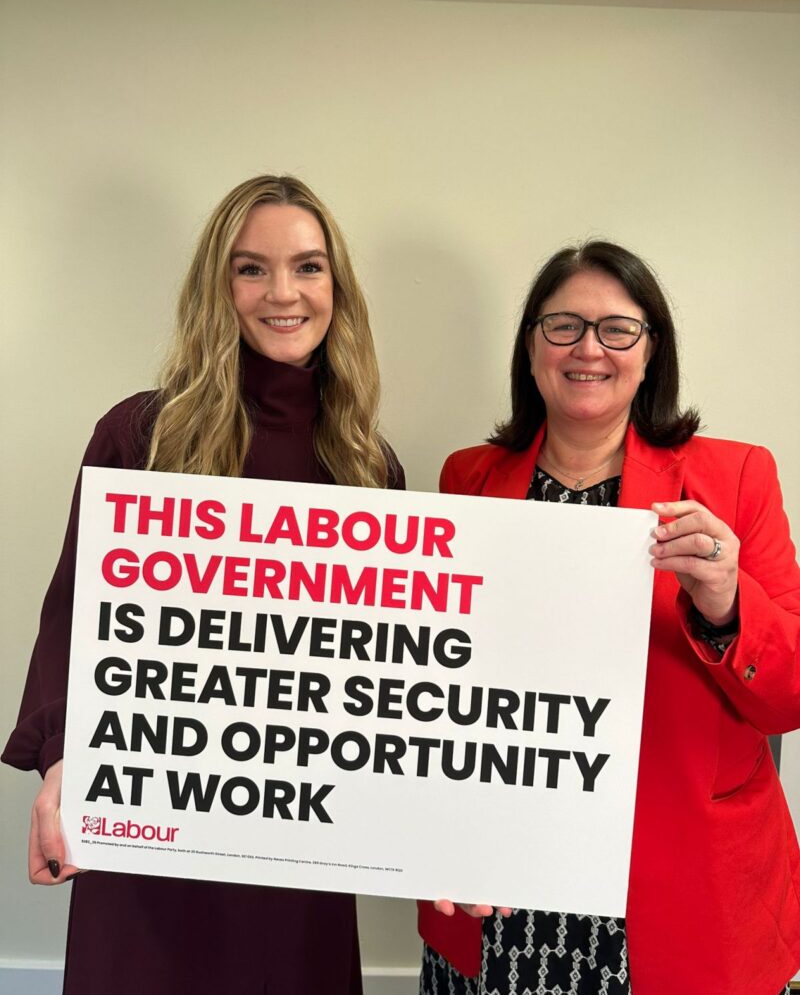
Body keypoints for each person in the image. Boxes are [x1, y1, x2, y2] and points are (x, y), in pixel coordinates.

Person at [2, 174, 403, 995]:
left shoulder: (368, 466)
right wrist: (63, 758)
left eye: (308, 266)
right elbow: (76, 614)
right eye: (251, 268)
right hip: (150, 837)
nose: (283, 292)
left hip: (298, 847)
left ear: (338, 287)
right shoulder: (141, 434)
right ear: (217, 288)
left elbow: (392, 669)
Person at [417, 241, 800, 995]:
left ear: (651, 352)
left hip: (680, 885)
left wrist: (727, 602)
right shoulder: (468, 477)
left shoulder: (735, 475)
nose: (589, 348)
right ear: (531, 348)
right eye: (563, 326)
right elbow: (439, 679)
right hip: (508, 880)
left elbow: (788, 697)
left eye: (618, 329)